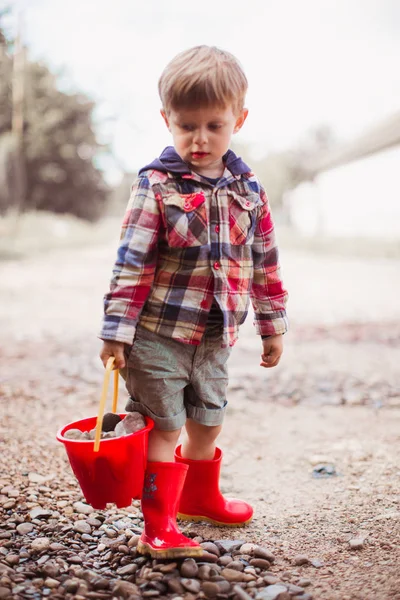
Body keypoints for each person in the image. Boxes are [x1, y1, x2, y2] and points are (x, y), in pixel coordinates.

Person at [99, 45, 288, 559]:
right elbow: (132, 263)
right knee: (165, 425)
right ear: (167, 120)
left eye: (214, 125)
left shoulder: (250, 190)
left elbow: (264, 262)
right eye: (186, 126)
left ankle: (200, 497)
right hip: (157, 337)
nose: (199, 139)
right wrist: (116, 330)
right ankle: (158, 528)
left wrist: (272, 324)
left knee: (209, 417)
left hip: (215, 337)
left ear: (238, 120)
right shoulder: (156, 185)